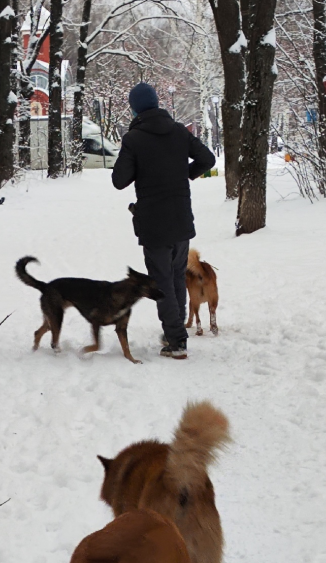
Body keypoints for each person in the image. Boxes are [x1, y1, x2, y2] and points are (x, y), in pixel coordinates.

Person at [111, 83, 216, 360]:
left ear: (135, 108)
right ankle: (175, 332)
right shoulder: (179, 131)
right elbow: (207, 159)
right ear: (157, 103)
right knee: (176, 278)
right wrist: (184, 175)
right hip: (181, 218)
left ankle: (176, 340)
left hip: (154, 222)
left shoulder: (134, 138)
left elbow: (119, 180)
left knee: (162, 282)